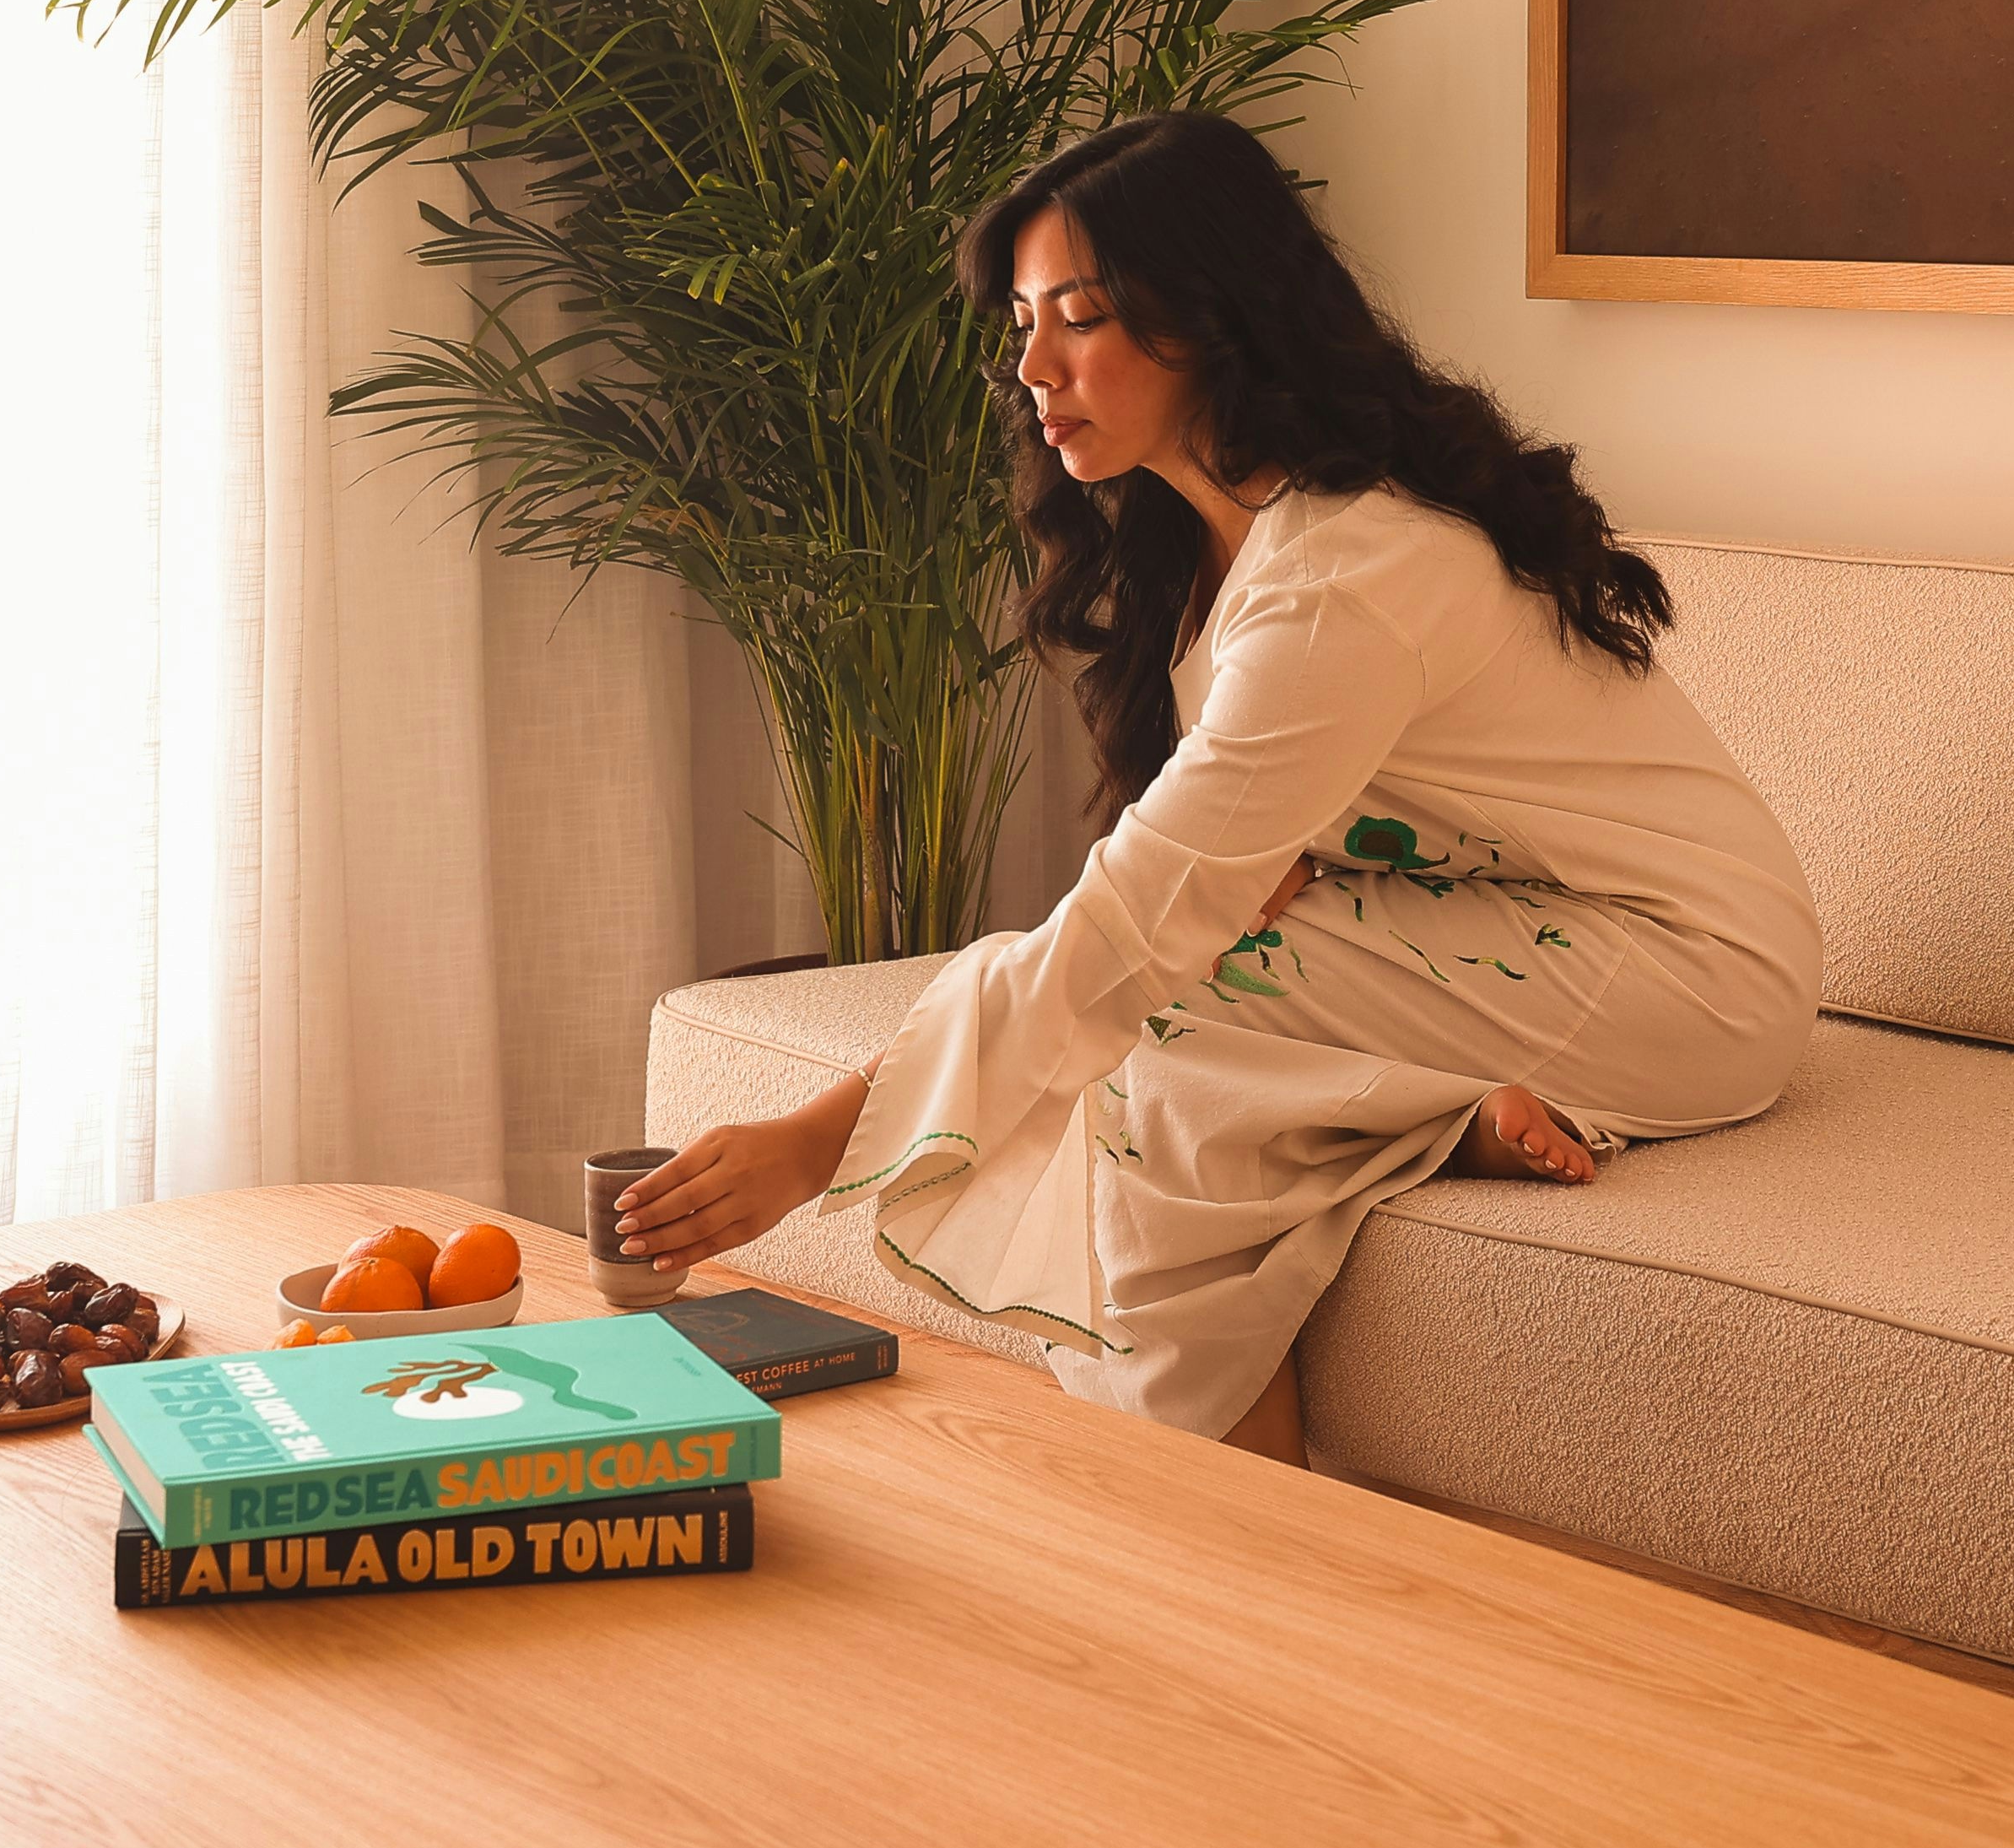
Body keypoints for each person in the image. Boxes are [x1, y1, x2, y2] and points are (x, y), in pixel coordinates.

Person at [611, 110, 1819, 1462]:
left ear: (1208, 313)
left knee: (1150, 1039)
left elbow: (1135, 924)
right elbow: (1230, 865)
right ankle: (1413, 1143)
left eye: (1078, 316)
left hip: (1687, 971)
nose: (1032, 366)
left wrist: (814, 1138)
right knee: (1162, 1022)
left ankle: (1216, 1525)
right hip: (1498, 923)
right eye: (1022, 320)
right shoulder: (1215, 544)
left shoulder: (1345, 575)